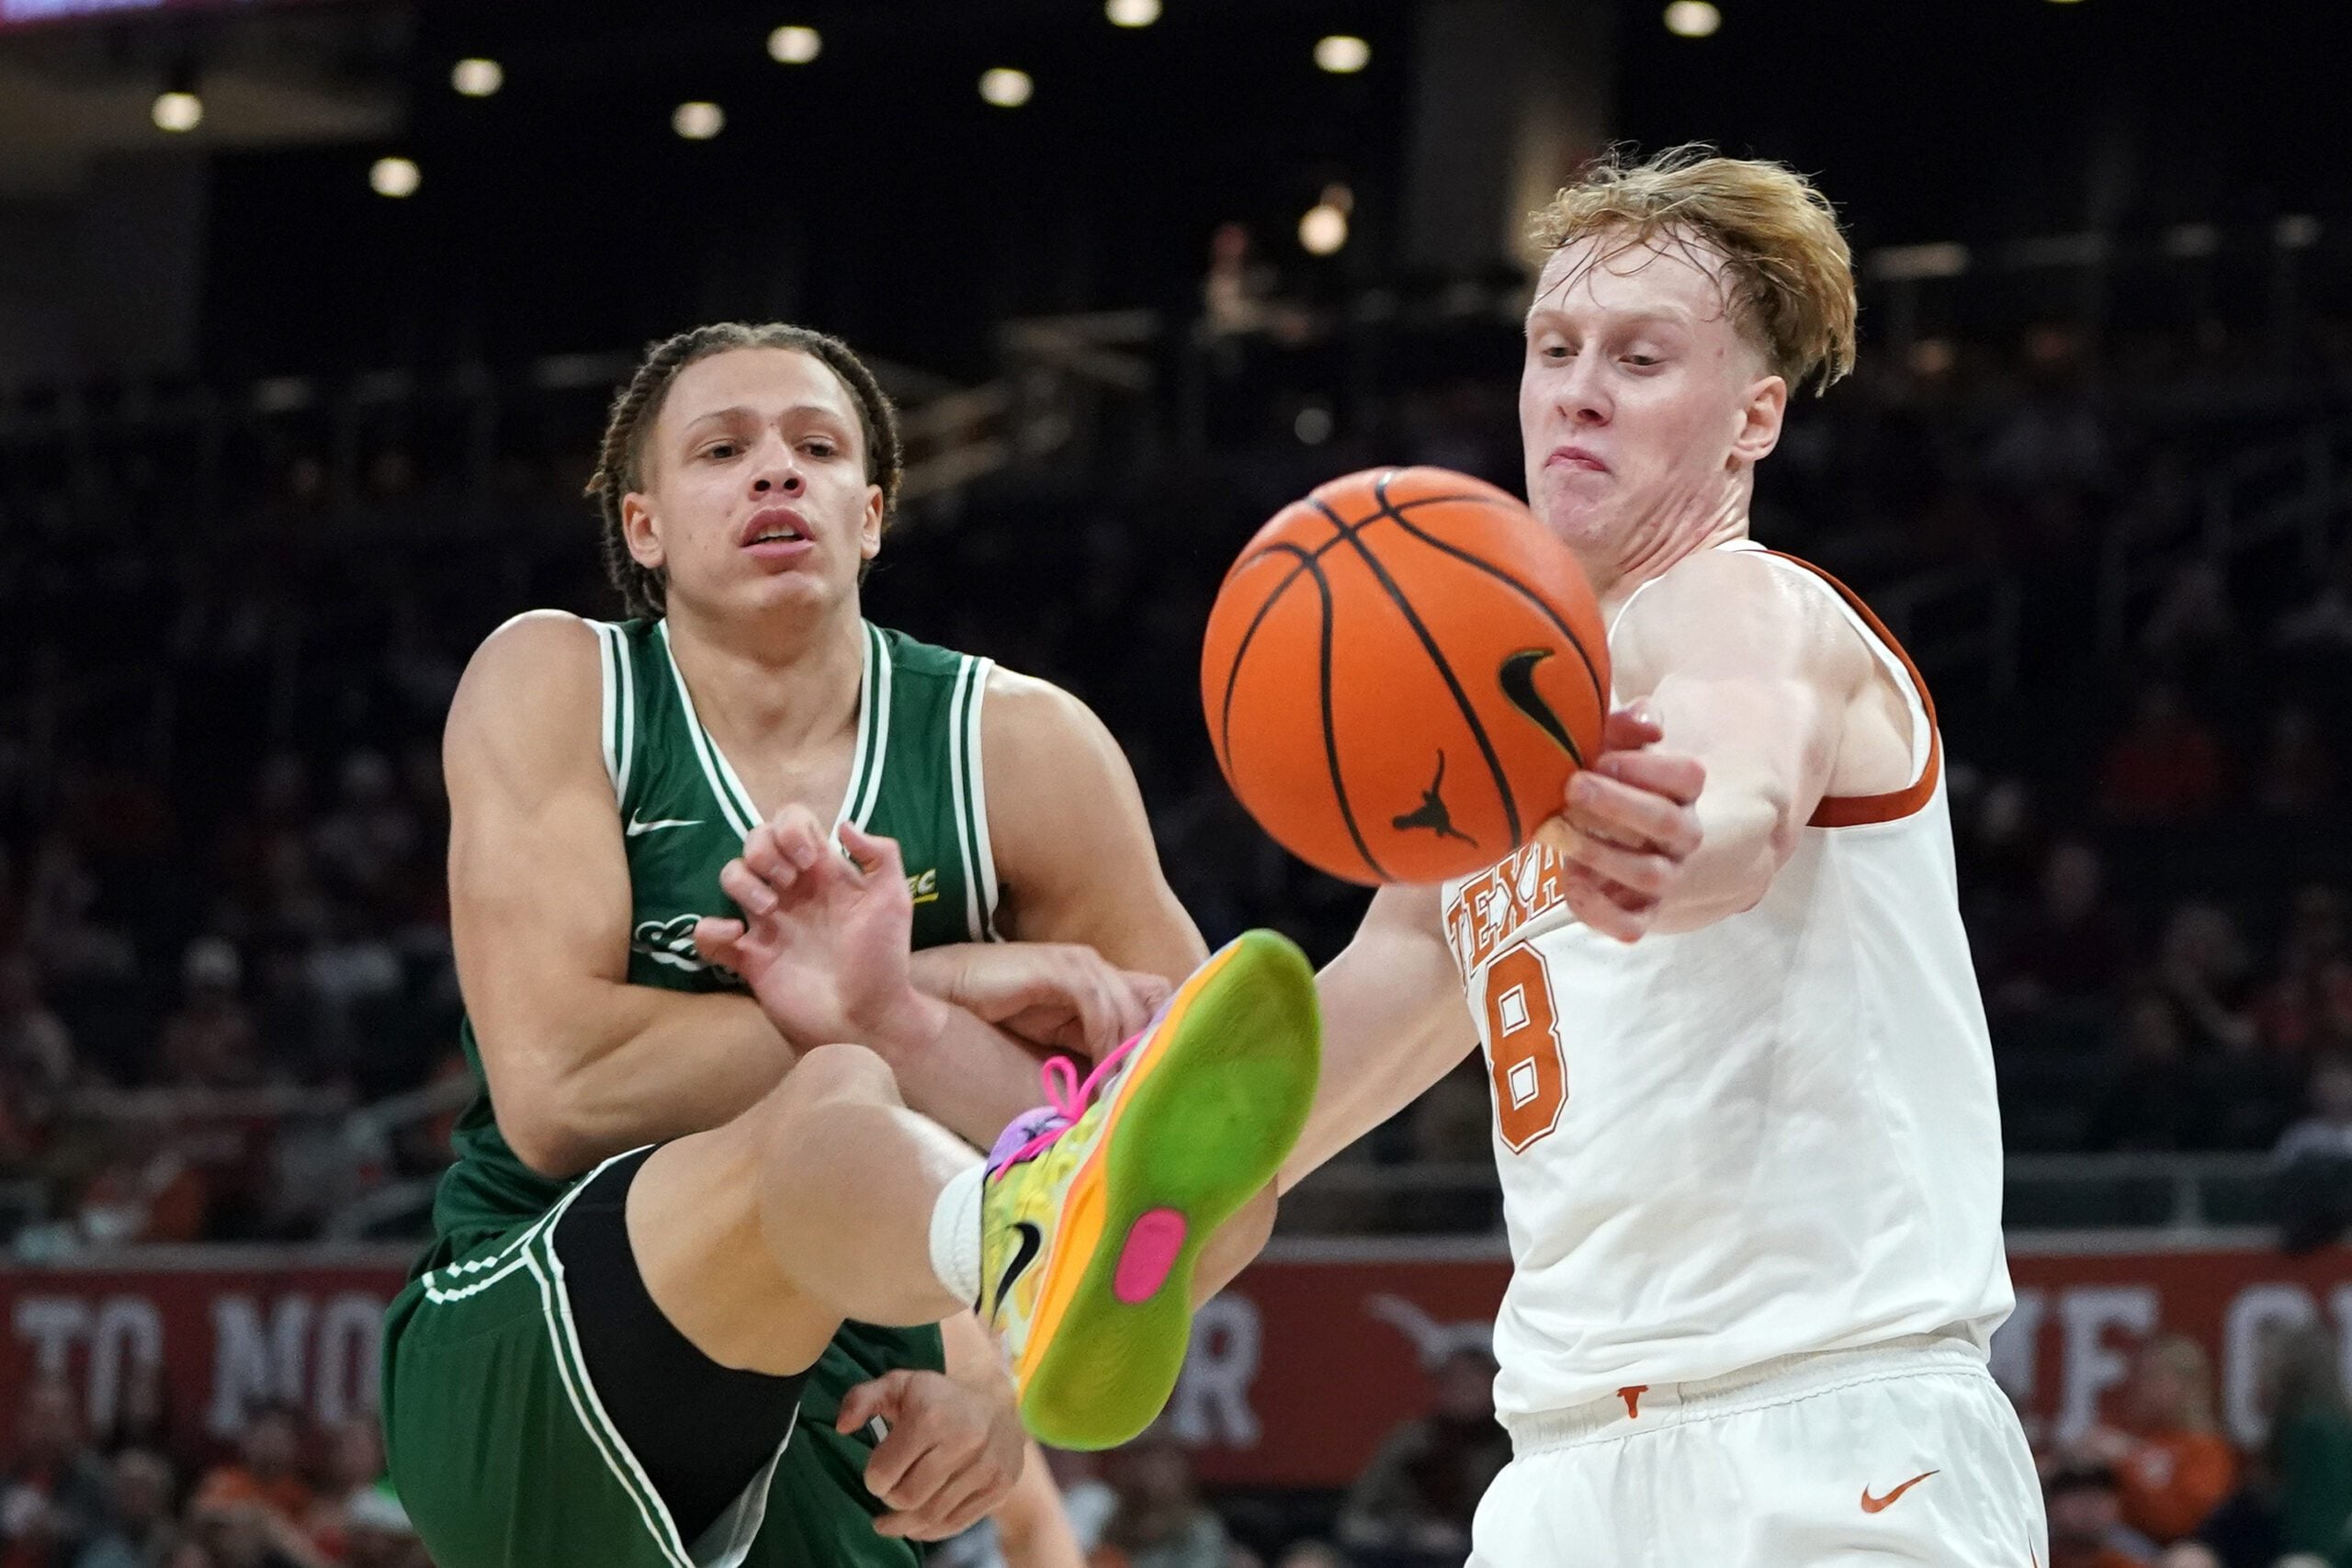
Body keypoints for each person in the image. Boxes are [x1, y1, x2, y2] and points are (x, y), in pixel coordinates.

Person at [380, 321, 1316, 1568]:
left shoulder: (1026, 750)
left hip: (858, 1406)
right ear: (644, 525)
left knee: (893, 1081)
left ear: (870, 514)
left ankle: (1016, 1262)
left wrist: (1008, 1380)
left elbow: (1212, 1169)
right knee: (839, 1078)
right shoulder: (561, 679)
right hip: (536, 1335)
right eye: (723, 449)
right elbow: (560, 1090)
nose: (777, 472)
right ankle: (1003, 1246)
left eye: (816, 447)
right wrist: (920, 992)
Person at [1278, 147, 2041, 1564]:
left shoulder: (1752, 604)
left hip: (1826, 1436)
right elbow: (1335, 1043)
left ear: (1755, 416)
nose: (1577, 386)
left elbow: (1731, 814)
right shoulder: (1487, 726)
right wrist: (1100, 1177)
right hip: (1566, 1463)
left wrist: (1663, 837)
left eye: (1639, 357)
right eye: (1555, 348)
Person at [1336, 1347, 1510, 1557]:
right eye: (1454, 1381)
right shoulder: (1411, 1440)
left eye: (1475, 1381)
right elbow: (1357, 1514)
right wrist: (1410, 1533)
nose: (1465, 1390)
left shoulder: (1515, 1444)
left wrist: (1463, 1536)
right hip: (1399, 1551)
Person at [2078, 1336, 2238, 1547]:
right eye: (2141, 1376)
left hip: (2164, 1552)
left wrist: (2127, 1459)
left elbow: (2181, 1524)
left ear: (2189, 1385)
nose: (2143, 1386)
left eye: (2155, 1377)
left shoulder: (2207, 1450)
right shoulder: (2133, 1433)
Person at [2044, 1461, 2155, 1568]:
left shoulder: (2133, 1553)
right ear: (2051, 1505)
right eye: (2075, 1496)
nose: (2087, 1507)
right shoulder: (2036, 1550)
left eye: (2097, 1496)